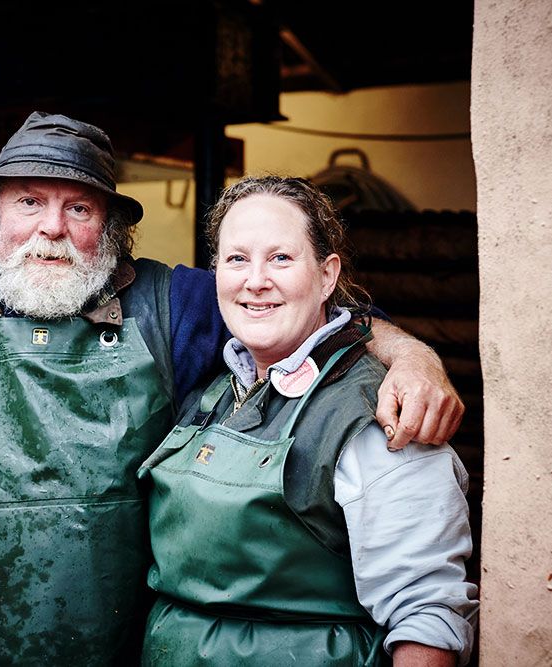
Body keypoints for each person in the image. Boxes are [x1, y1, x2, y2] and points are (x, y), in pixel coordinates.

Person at [0, 112, 466, 665]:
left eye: (78, 208)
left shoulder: (172, 304)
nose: (51, 229)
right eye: (28, 202)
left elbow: (310, 314)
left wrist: (414, 360)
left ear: (108, 226)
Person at [138, 175, 478, 666]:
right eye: (237, 259)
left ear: (327, 276)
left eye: (281, 257)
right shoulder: (214, 383)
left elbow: (426, 615)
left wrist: (413, 355)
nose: (256, 280)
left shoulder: (376, 413)